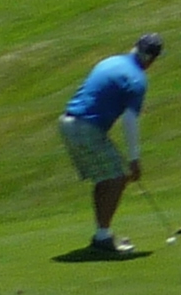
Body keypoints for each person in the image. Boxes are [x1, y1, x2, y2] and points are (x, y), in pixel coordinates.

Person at [60, 33, 163, 258]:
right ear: (151, 59)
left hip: (68, 123)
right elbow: (129, 120)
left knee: (106, 178)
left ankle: (102, 236)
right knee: (117, 178)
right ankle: (103, 239)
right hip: (86, 127)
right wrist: (134, 159)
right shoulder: (137, 80)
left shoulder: (111, 61)